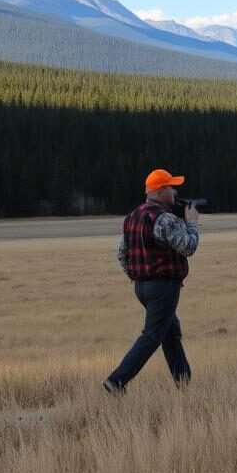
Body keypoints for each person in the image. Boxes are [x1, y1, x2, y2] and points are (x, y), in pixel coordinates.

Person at [103, 168, 202, 393]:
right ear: (160, 191)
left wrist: (137, 274)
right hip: (164, 287)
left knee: (170, 332)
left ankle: (184, 383)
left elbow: (122, 253)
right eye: (171, 187)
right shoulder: (164, 219)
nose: (175, 191)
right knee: (152, 335)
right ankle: (116, 381)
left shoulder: (132, 217)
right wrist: (193, 223)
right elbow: (188, 246)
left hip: (142, 287)